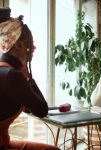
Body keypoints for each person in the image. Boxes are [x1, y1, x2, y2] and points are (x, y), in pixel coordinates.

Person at [0, 7, 60, 150]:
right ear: (19, 45)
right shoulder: (12, 76)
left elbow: (28, 107)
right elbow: (41, 110)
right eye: (31, 43)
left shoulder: (4, 70)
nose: (34, 47)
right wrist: (28, 77)